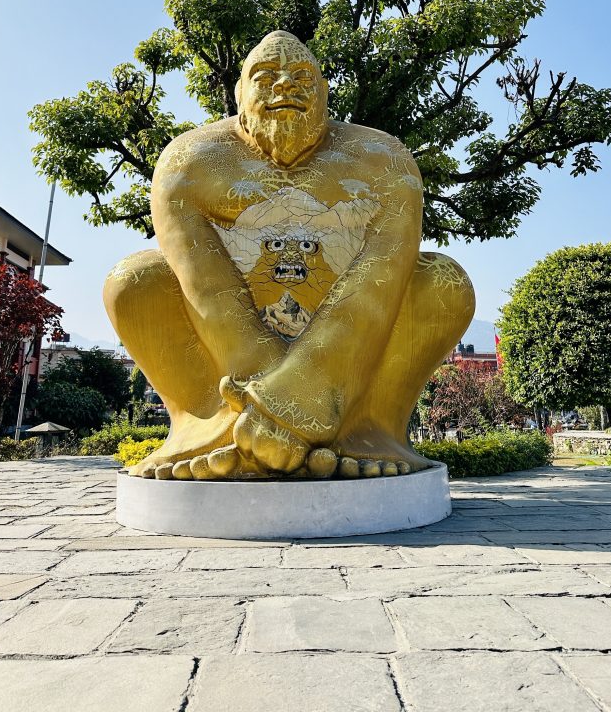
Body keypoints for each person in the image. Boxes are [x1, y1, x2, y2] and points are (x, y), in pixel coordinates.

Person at [104, 31, 474, 479]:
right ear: (239, 92)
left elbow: (381, 278)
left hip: (349, 379)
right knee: (133, 280)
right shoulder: (190, 160)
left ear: (324, 94)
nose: (284, 86)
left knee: (443, 281)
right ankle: (218, 430)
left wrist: (311, 393)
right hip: (230, 383)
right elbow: (205, 287)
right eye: (264, 76)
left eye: (302, 76)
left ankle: (367, 431)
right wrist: (272, 406)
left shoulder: (383, 158)